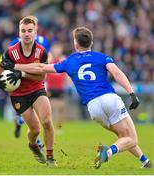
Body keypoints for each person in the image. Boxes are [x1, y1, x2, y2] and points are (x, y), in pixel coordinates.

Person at [8, 27, 152, 169]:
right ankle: (107, 152)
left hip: (93, 108)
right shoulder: (101, 57)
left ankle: (144, 161)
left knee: (124, 136)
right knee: (132, 138)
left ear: (76, 44)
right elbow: (117, 73)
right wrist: (132, 93)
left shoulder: (69, 61)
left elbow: (41, 68)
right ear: (92, 42)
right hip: (109, 99)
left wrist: (17, 66)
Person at [0, 15, 57, 167]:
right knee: (34, 130)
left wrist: (20, 72)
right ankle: (33, 145)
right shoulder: (10, 52)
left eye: (30, 31)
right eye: (23, 31)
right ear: (19, 33)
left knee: (47, 121)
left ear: (36, 32)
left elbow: (41, 77)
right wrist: (2, 83)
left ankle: (50, 157)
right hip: (18, 95)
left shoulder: (41, 52)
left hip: (37, 89)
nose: (27, 34)